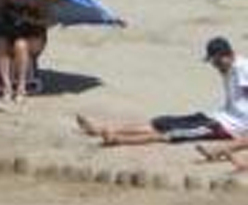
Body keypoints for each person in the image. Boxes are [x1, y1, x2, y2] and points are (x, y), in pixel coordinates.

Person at [75, 37, 247, 146]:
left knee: (169, 134)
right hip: (217, 117)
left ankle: (117, 140)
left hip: (227, 128)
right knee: (162, 122)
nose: (214, 66)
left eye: (216, 62)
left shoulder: (242, 68)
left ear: (226, 55)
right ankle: (100, 129)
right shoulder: (229, 68)